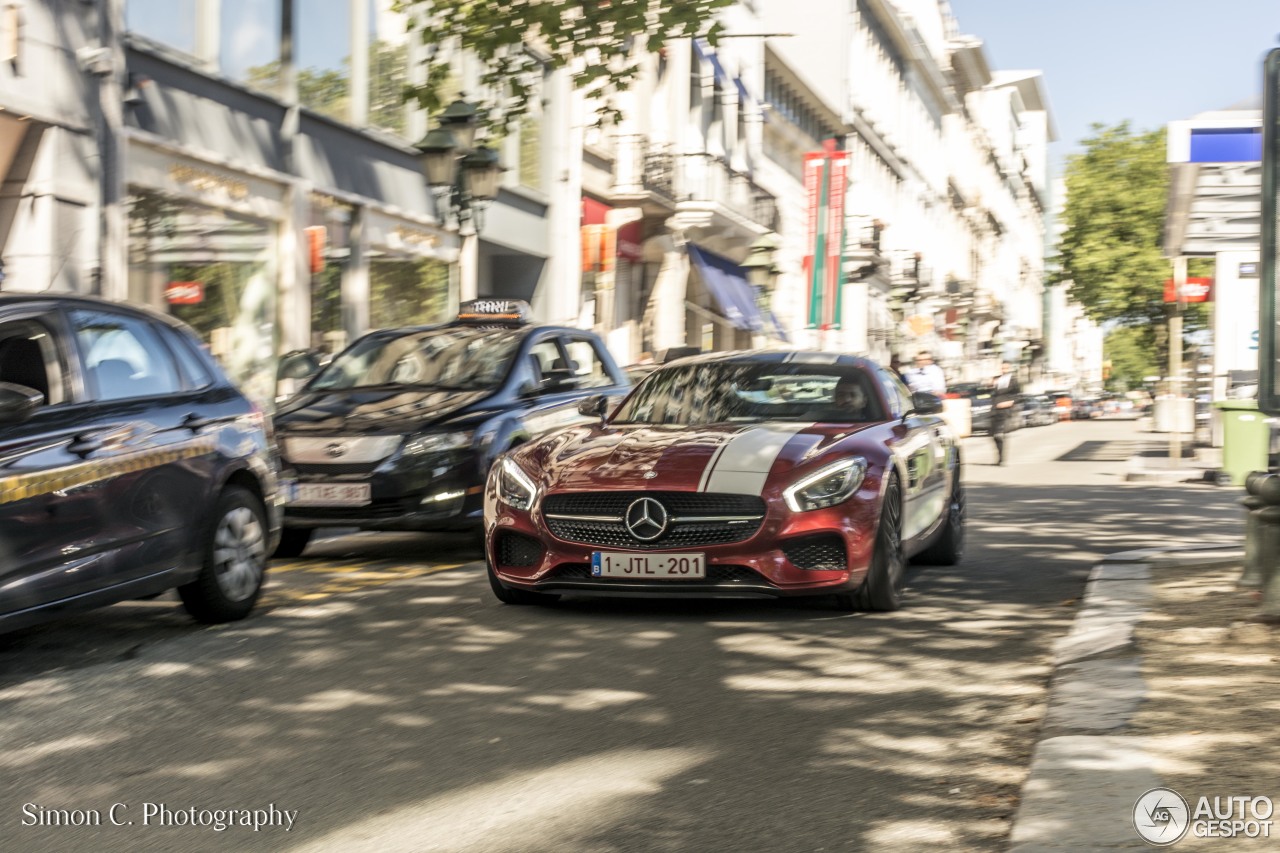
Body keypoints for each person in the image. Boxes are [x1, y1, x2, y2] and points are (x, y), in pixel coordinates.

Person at [990, 361, 1021, 465]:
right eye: (1002, 368)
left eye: (1006, 368)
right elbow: (992, 394)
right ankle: (999, 457)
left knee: (1000, 435)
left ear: (1009, 368)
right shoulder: (997, 379)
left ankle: (1002, 459)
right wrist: (991, 385)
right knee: (994, 436)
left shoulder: (1013, 380)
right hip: (994, 410)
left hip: (1005, 410)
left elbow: (1018, 396)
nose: (1004, 370)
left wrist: (1009, 403)